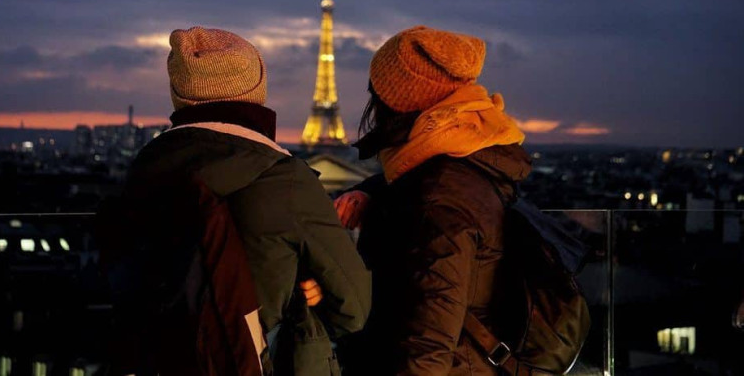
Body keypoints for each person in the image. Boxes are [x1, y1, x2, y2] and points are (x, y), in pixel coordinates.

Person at [123, 27, 371, 375]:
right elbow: (355, 309)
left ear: (179, 93)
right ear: (258, 90)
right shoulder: (286, 180)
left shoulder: (140, 176)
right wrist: (309, 296)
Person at [335, 26, 532, 375]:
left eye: (376, 93)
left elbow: (428, 339)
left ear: (398, 102)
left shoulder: (438, 199)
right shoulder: (469, 158)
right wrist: (373, 192)